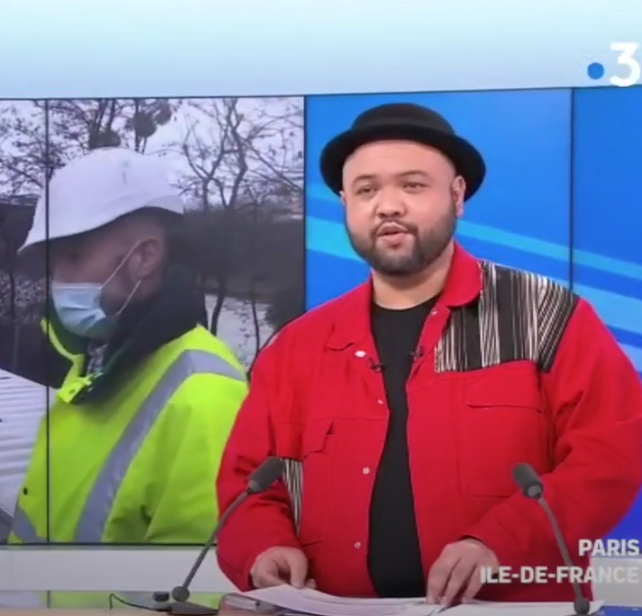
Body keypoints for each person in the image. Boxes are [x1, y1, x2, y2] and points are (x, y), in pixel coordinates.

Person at [215, 103, 642, 605]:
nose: (388, 205)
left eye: (412, 186)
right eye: (366, 189)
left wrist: (499, 541)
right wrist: (264, 548)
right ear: (345, 203)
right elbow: (248, 483)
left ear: (457, 196)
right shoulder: (297, 348)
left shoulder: (547, 317)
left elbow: (612, 455)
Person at [10, 147, 248, 547]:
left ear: (145, 257)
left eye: (74, 256)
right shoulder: (97, 362)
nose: (58, 278)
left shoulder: (207, 396)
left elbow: (200, 589)